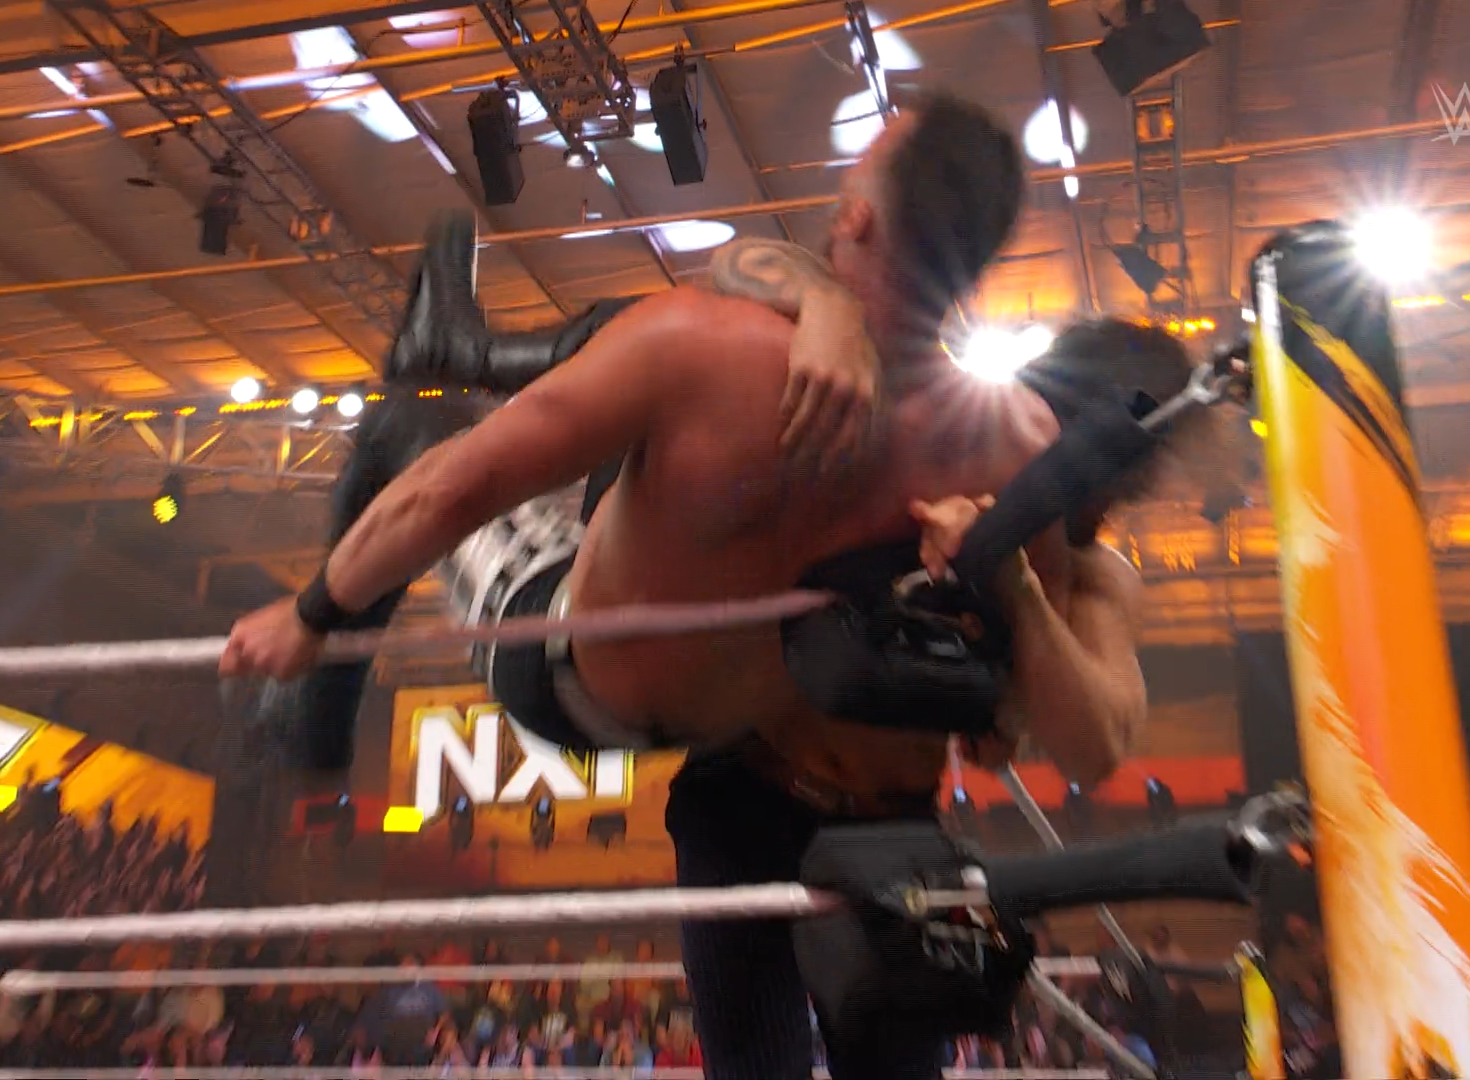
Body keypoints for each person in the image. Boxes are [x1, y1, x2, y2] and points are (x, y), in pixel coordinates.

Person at [225, 88, 1222, 1079]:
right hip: (740, 770)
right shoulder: (1014, 450)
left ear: (856, 218)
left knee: (413, 432)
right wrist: (829, 306)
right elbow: (1007, 726)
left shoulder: (715, 350)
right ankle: (470, 384)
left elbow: (449, 492)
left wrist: (310, 616)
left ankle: (323, 703)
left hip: (605, 691)